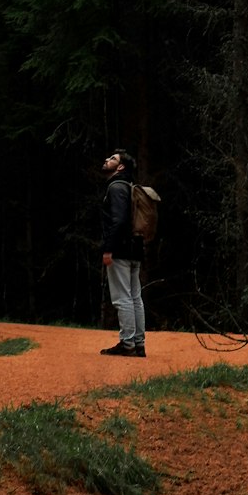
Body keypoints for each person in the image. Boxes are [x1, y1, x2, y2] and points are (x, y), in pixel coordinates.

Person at [99, 148, 146, 357]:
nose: (107, 160)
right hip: (135, 249)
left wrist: (108, 248)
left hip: (121, 250)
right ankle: (138, 344)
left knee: (122, 298)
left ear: (120, 167)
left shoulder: (116, 187)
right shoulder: (130, 187)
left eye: (112, 158)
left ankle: (128, 344)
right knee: (135, 297)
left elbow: (118, 221)